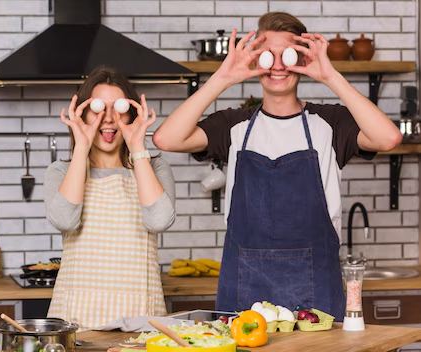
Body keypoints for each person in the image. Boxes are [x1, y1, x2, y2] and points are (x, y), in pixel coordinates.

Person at [152, 12, 402, 319]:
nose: (279, 65)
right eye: (268, 56)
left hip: (317, 297)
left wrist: (330, 76)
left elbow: (388, 138)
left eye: (289, 55)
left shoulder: (330, 123)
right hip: (243, 294)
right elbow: (166, 138)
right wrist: (224, 77)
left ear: (303, 59)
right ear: (256, 61)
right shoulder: (235, 124)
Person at [44, 66, 176, 330]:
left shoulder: (154, 168)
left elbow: (159, 221)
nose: (108, 119)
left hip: (141, 314)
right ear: (82, 112)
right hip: (76, 316)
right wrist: (81, 145)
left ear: (131, 112)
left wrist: (138, 146)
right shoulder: (61, 171)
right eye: (97, 108)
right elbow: (64, 221)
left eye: (117, 108)